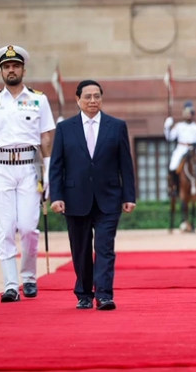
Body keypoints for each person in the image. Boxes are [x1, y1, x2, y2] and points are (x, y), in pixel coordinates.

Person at [0, 45, 55, 303]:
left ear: (23, 69)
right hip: (0, 168)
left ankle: (29, 277)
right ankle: (11, 285)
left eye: (16, 66)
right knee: (6, 227)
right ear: (1, 71)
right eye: (7, 66)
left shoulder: (38, 99)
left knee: (29, 228)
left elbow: (45, 137)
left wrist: (49, 169)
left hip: (28, 167)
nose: (12, 70)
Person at [49, 80, 136, 310]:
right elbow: (56, 166)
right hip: (75, 198)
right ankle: (85, 294)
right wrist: (56, 196)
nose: (92, 101)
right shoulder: (65, 129)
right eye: (87, 97)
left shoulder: (116, 126)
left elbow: (125, 164)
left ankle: (105, 295)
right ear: (77, 100)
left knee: (105, 247)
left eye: (97, 96)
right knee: (81, 249)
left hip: (109, 198)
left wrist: (129, 196)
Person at [164, 101, 196, 195]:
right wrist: (167, 127)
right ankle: (176, 188)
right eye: (187, 113)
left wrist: (195, 146)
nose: (189, 115)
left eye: (190, 113)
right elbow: (170, 137)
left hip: (193, 149)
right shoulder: (179, 126)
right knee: (172, 166)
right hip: (181, 149)